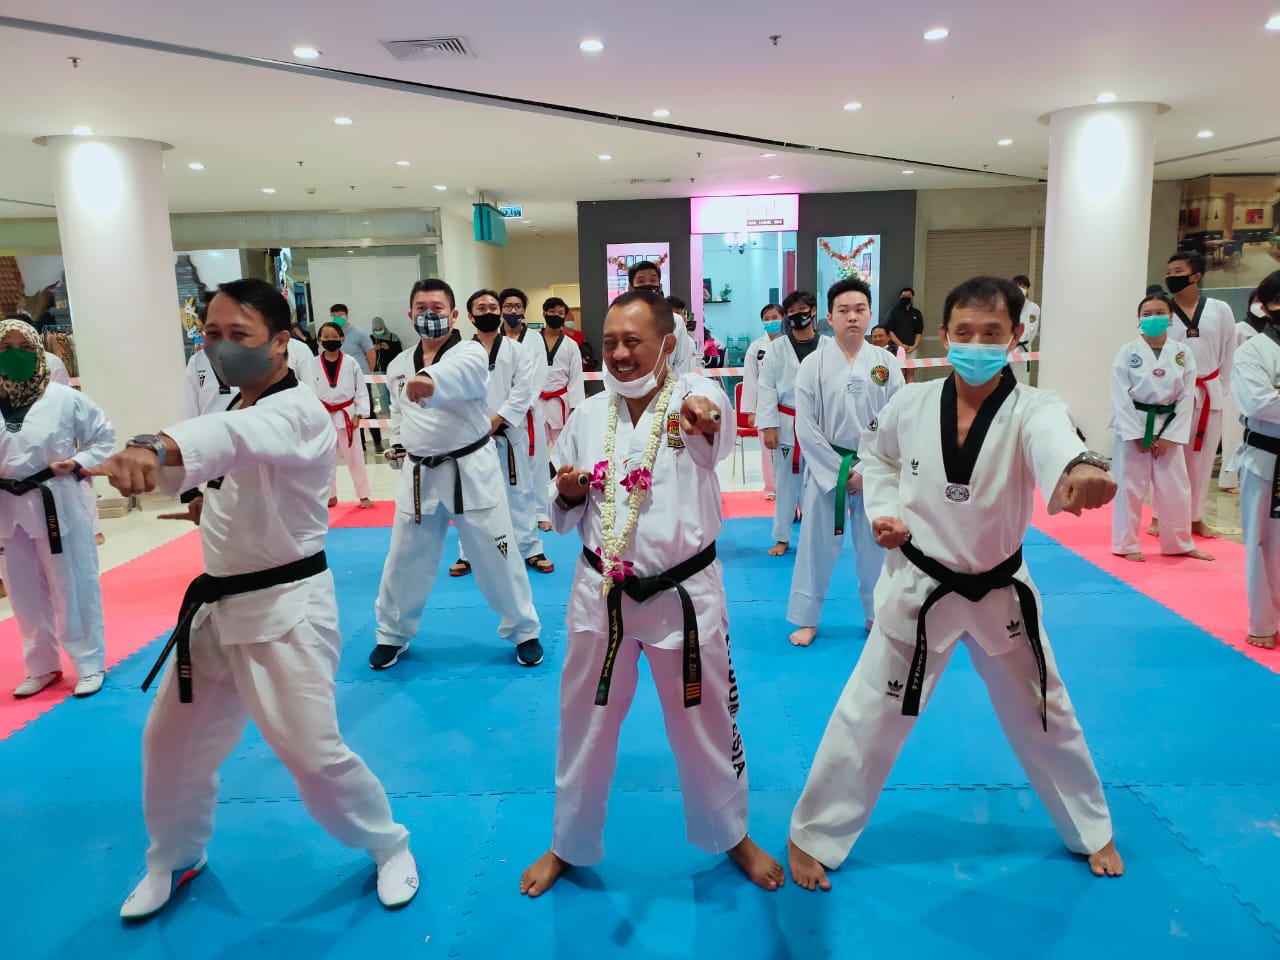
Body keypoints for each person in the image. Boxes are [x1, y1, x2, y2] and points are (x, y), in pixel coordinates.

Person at [85, 280, 417, 917]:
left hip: (285, 610)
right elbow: (211, 463)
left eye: (239, 335)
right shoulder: (235, 403)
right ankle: (174, 856)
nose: (222, 346)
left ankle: (388, 844)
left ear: (280, 341)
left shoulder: (297, 409)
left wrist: (155, 446)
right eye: (212, 334)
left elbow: (232, 441)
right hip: (215, 611)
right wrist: (176, 485)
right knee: (169, 743)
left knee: (312, 755)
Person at [787, 276, 1125, 892]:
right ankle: (813, 833)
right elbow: (879, 459)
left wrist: (1078, 470)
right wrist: (884, 510)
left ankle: (1090, 826)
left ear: (1015, 338)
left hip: (999, 590)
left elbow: (1057, 444)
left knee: (1046, 712)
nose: (976, 343)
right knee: (869, 714)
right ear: (945, 335)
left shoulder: (1034, 408)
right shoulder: (911, 403)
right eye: (964, 332)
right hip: (920, 586)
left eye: (992, 333)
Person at [519, 289, 784, 898]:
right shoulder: (588, 415)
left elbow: (711, 428)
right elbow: (559, 514)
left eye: (632, 341)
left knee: (707, 721)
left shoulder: (693, 398)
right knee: (582, 722)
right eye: (609, 342)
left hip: (683, 594)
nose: (618, 354)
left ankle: (731, 834)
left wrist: (703, 415)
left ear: (668, 343)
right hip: (601, 592)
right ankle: (568, 842)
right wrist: (565, 491)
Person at [369, 279, 544, 671]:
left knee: (499, 554)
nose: (428, 314)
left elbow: (460, 376)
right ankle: (391, 634)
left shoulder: (470, 352)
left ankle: (524, 629)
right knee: (402, 559)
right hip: (419, 475)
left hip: (470, 471)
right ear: (411, 314)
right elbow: (400, 412)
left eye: (437, 308)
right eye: (421, 308)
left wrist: (429, 382)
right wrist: (398, 441)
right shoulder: (398, 364)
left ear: (452, 315)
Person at [0, 317, 113, 699]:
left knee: (73, 585)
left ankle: (88, 662)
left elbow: (104, 435)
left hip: (56, 502)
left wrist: (79, 463)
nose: (13, 355)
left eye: (22, 347)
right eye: (4, 348)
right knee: (23, 592)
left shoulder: (64, 398)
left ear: (38, 352)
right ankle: (42, 665)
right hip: (8, 508)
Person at [787, 279, 904, 648]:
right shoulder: (812, 365)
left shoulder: (886, 364)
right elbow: (804, 426)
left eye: (859, 310)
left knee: (876, 547)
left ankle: (877, 614)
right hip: (828, 467)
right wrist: (837, 473)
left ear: (870, 315)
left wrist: (867, 472)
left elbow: (898, 421)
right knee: (814, 547)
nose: (852, 317)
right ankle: (807, 619)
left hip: (875, 467)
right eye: (843, 310)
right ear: (829, 317)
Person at [450, 290, 554, 578]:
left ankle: (531, 548)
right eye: (481, 308)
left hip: (508, 434)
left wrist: (496, 420)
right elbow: (453, 393)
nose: (488, 312)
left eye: (493, 307)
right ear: (470, 316)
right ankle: (467, 553)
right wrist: (477, 425)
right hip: (471, 438)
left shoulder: (517, 350)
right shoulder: (456, 354)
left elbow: (524, 390)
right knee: (470, 498)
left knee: (520, 493)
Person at [1108, 293, 1212, 563]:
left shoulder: (1182, 352)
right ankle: (1125, 543)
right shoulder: (1127, 352)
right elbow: (1119, 396)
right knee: (1129, 488)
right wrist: (1136, 435)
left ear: (1170, 317)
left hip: (1169, 425)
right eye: (1146, 313)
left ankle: (1179, 543)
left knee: (1175, 488)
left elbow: (1187, 397)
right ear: (1139, 319)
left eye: (1159, 313)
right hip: (1135, 426)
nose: (1152, 318)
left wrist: (1169, 437)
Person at [1157, 253, 1236, 538]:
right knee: (1168, 457)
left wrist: (1220, 389)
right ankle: (1159, 515)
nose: (1171, 275)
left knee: (1201, 461)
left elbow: (1228, 352)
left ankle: (1194, 518)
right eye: (1169, 270)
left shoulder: (1220, 309)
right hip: (1173, 396)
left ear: (1196, 276)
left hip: (1209, 391)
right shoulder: (1162, 311)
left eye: (1177, 270)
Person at [1228, 270, 1280, 649]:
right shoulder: (1252, 351)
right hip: (1268, 460)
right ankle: (1263, 623)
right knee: (1264, 544)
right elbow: (1261, 402)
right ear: (1270, 305)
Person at [756, 291, 823, 556]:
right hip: (786, 421)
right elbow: (767, 388)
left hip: (819, 422)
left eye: (803, 309)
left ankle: (814, 537)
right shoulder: (776, 348)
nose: (798, 315)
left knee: (818, 482)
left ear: (814, 311)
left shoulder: (829, 347)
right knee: (785, 482)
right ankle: (782, 538)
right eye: (792, 311)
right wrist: (769, 425)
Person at [306, 321, 374, 509]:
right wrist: (313, 416)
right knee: (325, 458)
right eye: (326, 337)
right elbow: (309, 391)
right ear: (319, 340)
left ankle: (364, 495)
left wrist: (359, 414)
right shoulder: (312, 364)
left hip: (347, 413)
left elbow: (360, 389)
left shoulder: (351, 363)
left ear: (342, 339)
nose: (330, 340)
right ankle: (330, 495)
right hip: (323, 415)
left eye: (334, 337)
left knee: (355, 456)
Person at [502, 288, 553, 533]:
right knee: (505, 464)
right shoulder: (494, 338)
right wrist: (505, 407)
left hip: (529, 410)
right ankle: (508, 514)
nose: (513, 311)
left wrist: (522, 403)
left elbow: (539, 373)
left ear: (523, 309)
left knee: (537, 463)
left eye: (517, 306)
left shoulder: (534, 338)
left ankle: (540, 512)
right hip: (501, 412)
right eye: (508, 306)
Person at [1218, 294, 1264, 493]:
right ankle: (1228, 479)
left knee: (1253, 436)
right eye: (1257, 301)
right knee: (1233, 435)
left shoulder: (1267, 333)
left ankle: (1249, 475)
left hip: (1259, 390)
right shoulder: (1239, 329)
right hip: (1236, 388)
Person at [740, 304, 784, 500]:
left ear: (783, 319)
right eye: (766, 318)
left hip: (788, 405)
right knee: (768, 449)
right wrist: (751, 411)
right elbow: (749, 380)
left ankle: (790, 486)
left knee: (788, 448)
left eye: (774, 317)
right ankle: (771, 488)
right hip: (764, 406)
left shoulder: (790, 344)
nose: (770, 321)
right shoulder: (756, 347)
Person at [329, 303, 383, 453]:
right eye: (333, 315)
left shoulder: (359, 333)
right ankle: (361, 444)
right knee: (351, 411)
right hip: (343, 379)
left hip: (361, 377)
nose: (336, 318)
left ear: (347, 316)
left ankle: (378, 442)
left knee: (368, 408)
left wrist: (368, 372)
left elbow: (371, 353)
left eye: (339, 315)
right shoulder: (333, 335)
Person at [630, 262, 696, 375]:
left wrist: (672, 391)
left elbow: (683, 363)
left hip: (670, 388)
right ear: (631, 288)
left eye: (653, 280)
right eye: (641, 281)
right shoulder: (622, 322)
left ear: (659, 287)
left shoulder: (675, 321)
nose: (647, 284)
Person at [537, 296, 586, 448]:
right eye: (552, 312)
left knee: (564, 447)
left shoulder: (571, 345)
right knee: (536, 449)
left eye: (560, 312)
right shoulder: (531, 341)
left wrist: (575, 407)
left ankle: (562, 472)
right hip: (536, 401)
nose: (556, 315)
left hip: (560, 402)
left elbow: (576, 377)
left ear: (564, 316)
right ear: (544, 313)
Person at [882, 287, 924, 383]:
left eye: (908, 296)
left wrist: (914, 346)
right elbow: (889, 331)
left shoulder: (916, 313)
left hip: (911, 349)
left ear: (912, 297)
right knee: (899, 372)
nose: (906, 298)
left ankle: (910, 394)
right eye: (903, 296)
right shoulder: (893, 311)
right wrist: (901, 345)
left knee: (910, 372)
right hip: (896, 348)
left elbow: (919, 332)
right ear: (900, 297)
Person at [370, 316, 403, 421]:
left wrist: (388, 347)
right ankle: (389, 416)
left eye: (380, 329)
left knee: (394, 392)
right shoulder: (370, 339)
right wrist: (374, 349)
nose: (378, 331)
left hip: (392, 370)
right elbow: (366, 354)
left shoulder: (393, 337)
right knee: (383, 394)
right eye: (376, 329)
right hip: (377, 371)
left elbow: (400, 353)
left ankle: (399, 414)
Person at [1011, 275, 1041, 386]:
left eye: (1024, 286)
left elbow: (1031, 330)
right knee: (1006, 382)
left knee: (1021, 382)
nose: (1021, 289)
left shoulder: (1033, 308)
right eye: (1018, 286)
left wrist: (1019, 342)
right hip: (1007, 348)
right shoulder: (1008, 307)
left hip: (1022, 348)